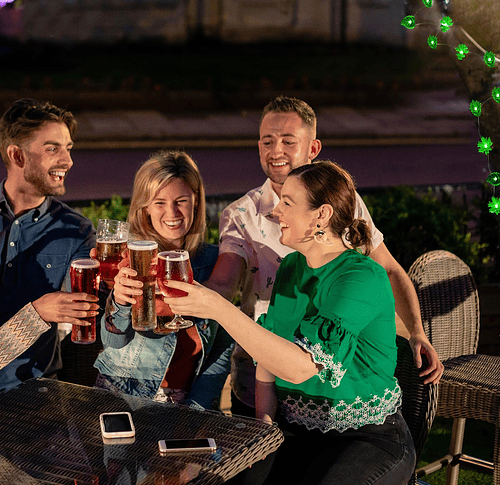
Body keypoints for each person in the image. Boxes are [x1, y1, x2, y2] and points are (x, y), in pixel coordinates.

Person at [166, 161, 416, 484]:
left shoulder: (361, 277)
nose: (276, 212)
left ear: (321, 216)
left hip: (365, 438)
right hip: (294, 433)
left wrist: (218, 308)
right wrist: (265, 432)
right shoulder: (291, 267)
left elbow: (300, 366)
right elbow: (268, 363)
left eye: (287, 203)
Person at [208, 95, 443, 415]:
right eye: (267, 141)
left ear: (313, 149)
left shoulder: (344, 203)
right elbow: (224, 283)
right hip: (260, 381)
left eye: (288, 141)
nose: (275, 151)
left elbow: (386, 270)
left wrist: (416, 331)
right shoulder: (242, 216)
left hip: (331, 387)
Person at [94, 150, 232, 409]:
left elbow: (223, 344)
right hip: (125, 396)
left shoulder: (214, 260)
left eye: (181, 200)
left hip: (188, 401)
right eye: (159, 202)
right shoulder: (131, 257)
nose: (172, 212)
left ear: (196, 203)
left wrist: (198, 405)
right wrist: (120, 303)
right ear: (144, 207)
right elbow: (112, 342)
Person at [0, 98, 96, 391]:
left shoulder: (77, 230)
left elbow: (92, 325)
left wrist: (118, 297)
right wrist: (37, 313)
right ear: (17, 156)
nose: (67, 161)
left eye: (68, 149)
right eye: (53, 149)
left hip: (39, 397)